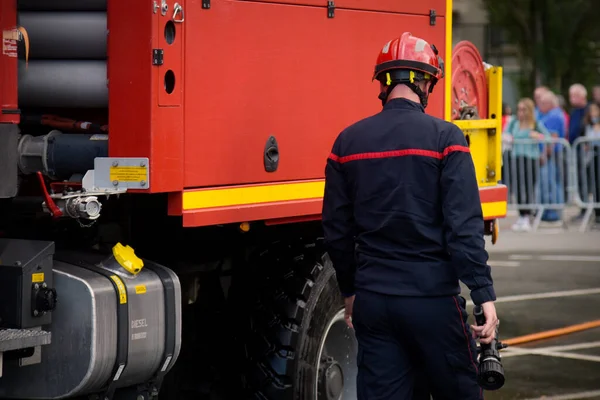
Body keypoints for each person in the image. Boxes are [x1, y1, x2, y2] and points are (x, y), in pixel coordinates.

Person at [322, 32, 497, 400]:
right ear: (426, 83)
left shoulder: (346, 143)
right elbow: (463, 226)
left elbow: (337, 231)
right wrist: (483, 293)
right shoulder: (446, 138)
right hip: (431, 300)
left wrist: (351, 291)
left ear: (383, 84)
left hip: (374, 302)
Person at [503, 98, 551, 232]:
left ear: (529, 110)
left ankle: (527, 215)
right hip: (517, 157)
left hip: (531, 158)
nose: (521, 112)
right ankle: (521, 215)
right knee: (517, 188)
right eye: (519, 109)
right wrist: (508, 138)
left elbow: (547, 137)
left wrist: (538, 136)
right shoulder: (513, 122)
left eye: (524, 109)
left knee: (529, 187)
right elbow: (505, 134)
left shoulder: (535, 123)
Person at [568, 83, 590, 222]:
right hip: (575, 149)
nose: (571, 98)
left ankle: (587, 209)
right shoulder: (575, 111)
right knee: (580, 181)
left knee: (586, 181)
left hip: (584, 150)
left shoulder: (588, 110)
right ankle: (583, 209)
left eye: (574, 95)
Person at [581, 103, 600, 225]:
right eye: (591, 111)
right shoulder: (588, 126)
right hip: (592, 158)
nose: (593, 114)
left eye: (595, 111)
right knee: (595, 187)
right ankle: (597, 213)